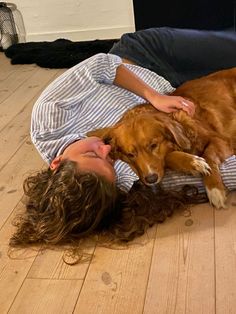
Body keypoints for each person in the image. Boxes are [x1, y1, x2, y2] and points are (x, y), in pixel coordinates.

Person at [10, 27, 236, 247]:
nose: (107, 150)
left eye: (91, 153)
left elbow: (101, 65)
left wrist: (154, 97)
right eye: (109, 161)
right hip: (180, 91)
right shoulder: (121, 179)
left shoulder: (49, 120)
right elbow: (208, 171)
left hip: (143, 59)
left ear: (56, 163)